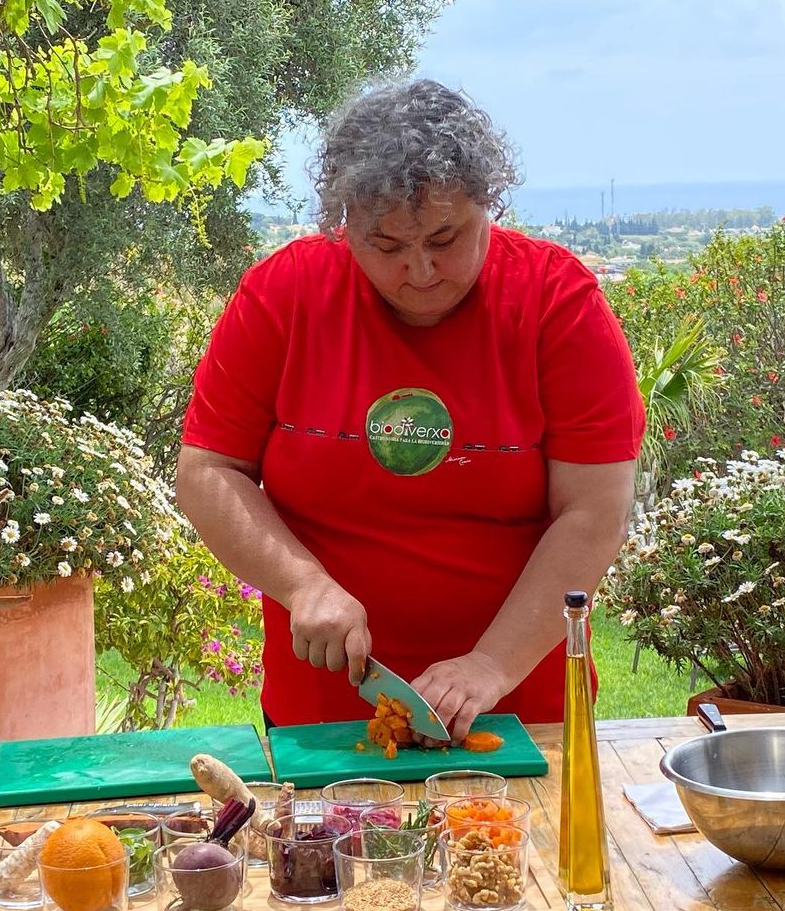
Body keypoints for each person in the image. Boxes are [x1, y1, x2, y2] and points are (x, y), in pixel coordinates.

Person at [176, 78, 644, 739]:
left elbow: (594, 511)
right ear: (343, 226)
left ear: (488, 204)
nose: (420, 270)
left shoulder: (556, 303)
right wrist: (303, 584)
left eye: (445, 238)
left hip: (517, 715)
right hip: (324, 720)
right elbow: (207, 473)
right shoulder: (284, 294)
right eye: (386, 246)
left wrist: (489, 666)